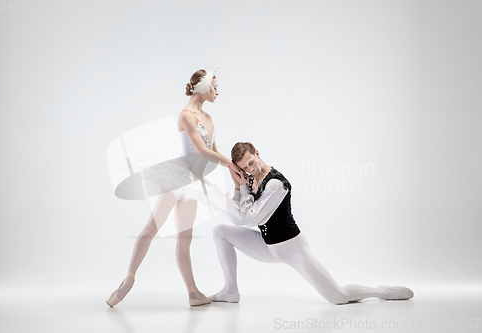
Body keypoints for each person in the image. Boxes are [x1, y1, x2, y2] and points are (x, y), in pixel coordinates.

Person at [211, 142, 414, 304]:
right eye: (245, 168)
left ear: (257, 152)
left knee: (338, 296)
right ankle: (230, 290)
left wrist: (244, 190)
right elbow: (237, 220)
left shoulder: (276, 184)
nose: (251, 169)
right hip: (267, 245)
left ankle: (382, 291)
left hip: (291, 247)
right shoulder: (251, 180)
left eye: (251, 162)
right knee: (220, 231)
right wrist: (238, 187)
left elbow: (249, 219)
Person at [106, 69, 243, 307]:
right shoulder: (186, 115)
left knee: (185, 238)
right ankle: (129, 278)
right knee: (151, 227)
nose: (218, 92)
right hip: (177, 177)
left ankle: (192, 292)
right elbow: (202, 151)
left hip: (193, 184)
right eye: (215, 87)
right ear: (203, 87)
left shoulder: (209, 118)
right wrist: (230, 163)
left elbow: (213, 150)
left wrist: (231, 168)